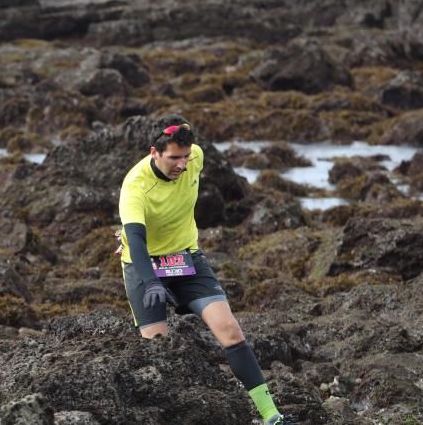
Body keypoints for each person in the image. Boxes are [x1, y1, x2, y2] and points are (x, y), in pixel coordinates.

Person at [117, 118, 294, 425]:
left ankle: (271, 416)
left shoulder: (196, 156)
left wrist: (182, 130)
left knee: (230, 330)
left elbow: (184, 130)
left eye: (185, 156)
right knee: (158, 351)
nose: (182, 164)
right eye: (174, 158)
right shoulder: (135, 186)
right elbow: (135, 239)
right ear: (154, 153)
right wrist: (150, 281)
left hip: (186, 259)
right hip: (144, 264)